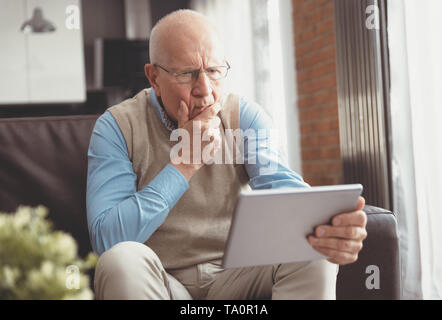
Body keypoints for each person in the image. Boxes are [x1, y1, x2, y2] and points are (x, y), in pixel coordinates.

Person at [87, 9, 367, 300]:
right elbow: (107, 239)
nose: (204, 90)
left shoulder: (245, 117)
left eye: (214, 71)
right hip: (161, 282)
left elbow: (286, 195)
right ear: (154, 78)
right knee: (119, 260)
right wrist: (183, 165)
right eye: (187, 74)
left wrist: (331, 232)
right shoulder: (116, 127)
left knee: (313, 251)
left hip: (238, 277)